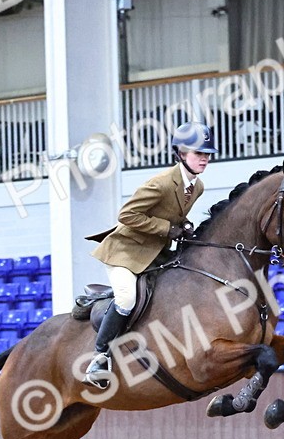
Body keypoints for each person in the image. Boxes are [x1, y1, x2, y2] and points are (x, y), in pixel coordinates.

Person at [82, 121, 216, 387]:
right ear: (180, 153)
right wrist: (167, 229)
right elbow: (127, 215)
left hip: (155, 253)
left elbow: (173, 215)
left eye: (207, 153)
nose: (204, 158)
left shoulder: (197, 186)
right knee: (127, 298)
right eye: (198, 153)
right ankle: (99, 358)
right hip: (125, 253)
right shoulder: (160, 183)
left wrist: (183, 228)